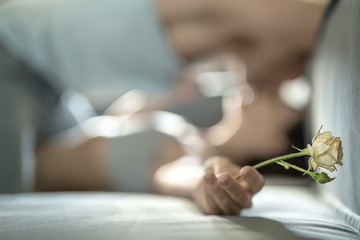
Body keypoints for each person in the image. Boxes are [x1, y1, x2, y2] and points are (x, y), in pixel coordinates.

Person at [0, 0, 324, 215]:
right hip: (50, 113)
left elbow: (185, 177)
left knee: (222, 8)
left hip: (15, 157)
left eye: (284, 104)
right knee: (218, 17)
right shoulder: (186, 127)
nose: (273, 93)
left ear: (273, 144)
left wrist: (211, 184)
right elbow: (110, 122)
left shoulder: (189, 156)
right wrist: (168, 95)